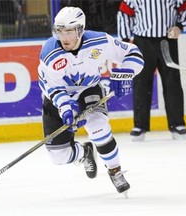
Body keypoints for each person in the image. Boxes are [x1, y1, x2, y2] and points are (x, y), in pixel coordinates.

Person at [38, 6, 144, 195]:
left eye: (69, 31)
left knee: (98, 126)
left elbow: (133, 52)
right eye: (59, 30)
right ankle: (85, 152)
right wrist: (66, 108)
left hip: (89, 90)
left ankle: (115, 170)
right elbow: (52, 87)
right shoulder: (49, 52)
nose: (63, 37)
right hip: (58, 98)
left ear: (80, 30)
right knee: (59, 157)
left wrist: (127, 73)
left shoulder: (99, 41)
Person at [117, 0, 186, 141]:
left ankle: (177, 124)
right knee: (141, 83)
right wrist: (125, 40)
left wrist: (179, 26)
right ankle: (139, 126)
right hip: (142, 42)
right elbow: (124, 14)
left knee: (172, 83)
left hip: (168, 40)